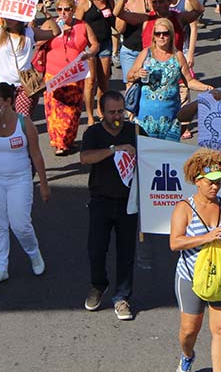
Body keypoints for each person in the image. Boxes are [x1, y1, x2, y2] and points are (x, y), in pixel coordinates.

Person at [169, 148, 221, 372]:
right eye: (211, 182)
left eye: (218, 182)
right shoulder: (184, 208)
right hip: (191, 277)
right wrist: (206, 237)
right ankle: (187, 355)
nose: (215, 186)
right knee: (189, 330)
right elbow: (175, 243)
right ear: (197, 181)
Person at [0, 82, 50, 285]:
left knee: (20, 224)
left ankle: (33, 252)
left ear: (8, 102)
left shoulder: (24, 123)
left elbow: (36, 155)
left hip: (19, 179)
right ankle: (1, 267)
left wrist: (43, 184)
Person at [80, 90, 141, 321]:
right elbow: (85, 158)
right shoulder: (93, 133)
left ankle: (122, 297)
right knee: (96, 248)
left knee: (126, 252)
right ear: (101, 112)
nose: (117, 117)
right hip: (100, 200)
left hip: (128, 203)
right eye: (112, 112)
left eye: (120, 111)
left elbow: (152, 156)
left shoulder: (135, 131)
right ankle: (98, 285)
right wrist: (114, 149)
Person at [0, 0, 61, 116]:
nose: (8, 19)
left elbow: (56, 32)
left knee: (21, 120)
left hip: (24, 85)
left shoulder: (29, 32)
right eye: (6, 16)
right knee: (0, 119)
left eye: (12, 17)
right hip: (2, 84)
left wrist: (46, 14)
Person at [129, 17, 211, 140]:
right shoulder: (146, 53)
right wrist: (137, 74)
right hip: (145, 118)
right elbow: (129, 76)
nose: (161, 37)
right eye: (158, 34)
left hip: (171, 119)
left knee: (169, 152)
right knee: (146, 151)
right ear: (153, 36)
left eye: (165, 33)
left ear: (171, 35)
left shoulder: (178, 56)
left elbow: (189, 81)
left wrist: (208, 88)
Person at [42, 0, 99, 156]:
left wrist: (89, 53)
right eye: (59, 9)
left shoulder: (82, 25)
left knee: (72, 110)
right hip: (54, 74)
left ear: (73, 10)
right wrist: (52, 31)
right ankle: (59, 143)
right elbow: (37, 42)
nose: (63, 13)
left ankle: (68, 140)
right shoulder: (51, 24)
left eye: (67, 9)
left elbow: (95, 44)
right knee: (55, 110)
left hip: (74, 74)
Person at [76, 0, 118, 121]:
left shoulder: (109, 1)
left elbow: (115, 23)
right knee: (90, 81)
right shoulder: (85, 2)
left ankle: (101, 110)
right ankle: (90, 115)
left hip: (105, 43)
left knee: (104, 81)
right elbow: (77, 25)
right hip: (89, 46)